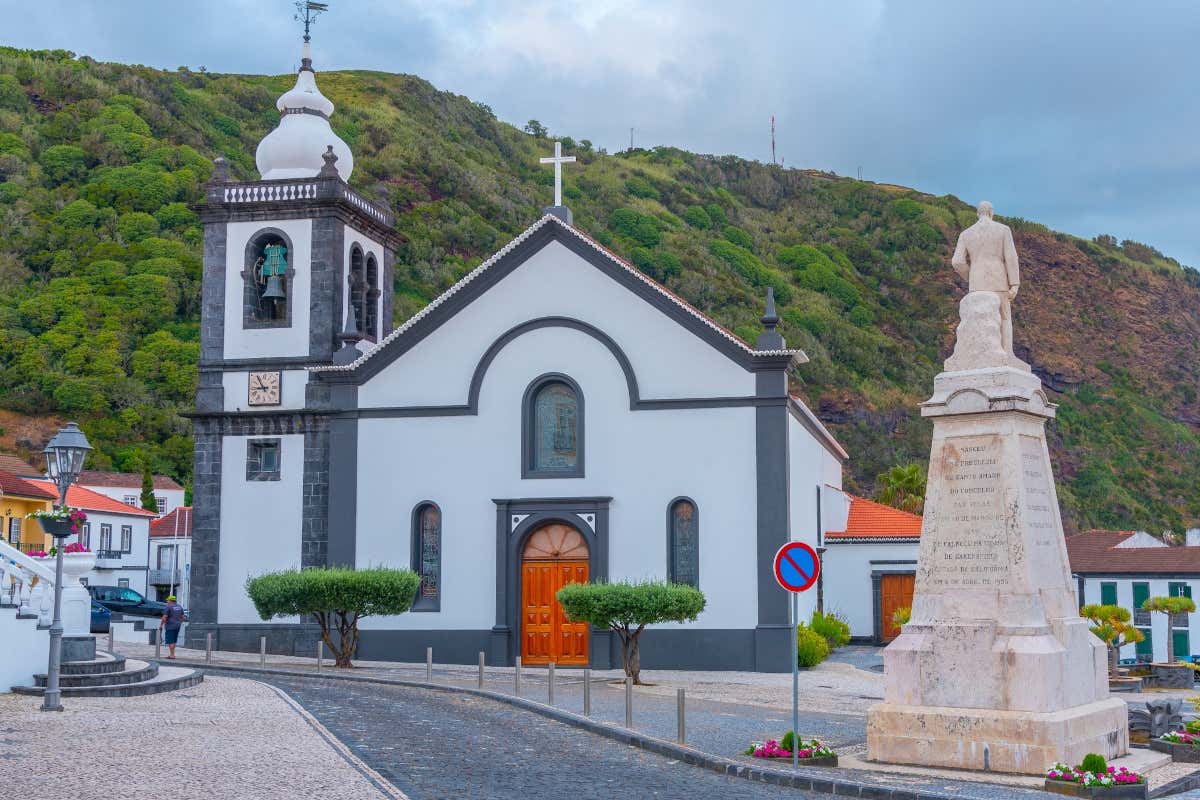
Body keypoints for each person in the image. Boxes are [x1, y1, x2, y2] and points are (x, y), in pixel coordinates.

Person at [950, 200, 1021, 359]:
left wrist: (971, 276)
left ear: (977, 213)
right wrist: (1014, 283)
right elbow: (1011, 257)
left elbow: (957, 262)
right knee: (1004, 317)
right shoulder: (1003, 230)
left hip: (976, 282)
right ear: (991, 212)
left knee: (976, 318)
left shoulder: (966, 234)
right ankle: (1007, 353)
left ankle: (977, 355)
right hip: (998, 280)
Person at [160, 595, 187, 659]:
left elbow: (164, 617)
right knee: (174, 640)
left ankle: (172, 655)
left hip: (170, 626)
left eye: (167, 600)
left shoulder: (168, 607)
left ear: (170, 600)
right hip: (177, 626)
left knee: (170, 640)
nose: (167, 601)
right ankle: (172, 654)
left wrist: (161, 625)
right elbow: (183, 617)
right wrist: (179, 622)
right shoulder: (179, 607)